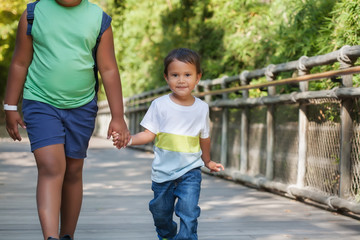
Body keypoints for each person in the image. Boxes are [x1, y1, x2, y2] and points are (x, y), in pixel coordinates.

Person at [3, 0, 129, 240]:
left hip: (82, 106)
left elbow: (109, 69)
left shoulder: (98, 19)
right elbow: (20, 62)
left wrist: (118, 116)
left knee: (72, 170)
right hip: (40, 102)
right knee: (51, 167)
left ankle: (66, 236)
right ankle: (50, 237)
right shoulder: (32, 15)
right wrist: (10, 105)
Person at [113, 48, 224, 240]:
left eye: (187, 75)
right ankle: (166, 234)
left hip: (190, 171)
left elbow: (204, 137)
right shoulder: (160, 105)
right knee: (160, 213)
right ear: (166, 77)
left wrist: (208, 161)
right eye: (175, 75)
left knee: (189, 213)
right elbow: (148, 134)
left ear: (198, 78)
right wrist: (128, 139)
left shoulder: (202, 108)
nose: (181, 80)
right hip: (163, 173)